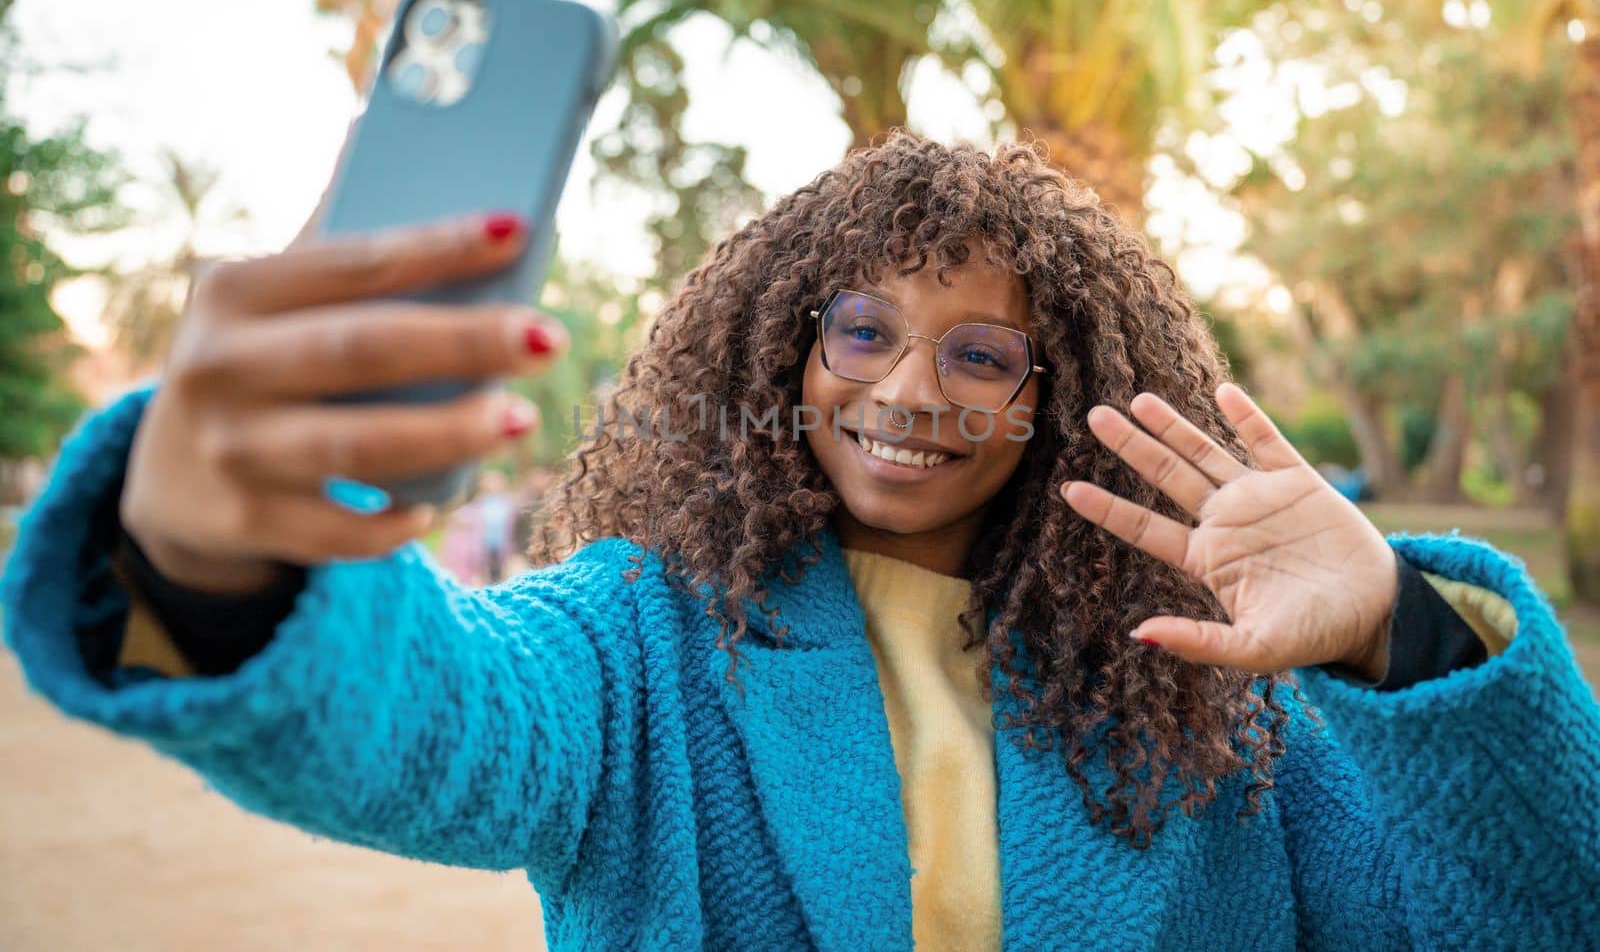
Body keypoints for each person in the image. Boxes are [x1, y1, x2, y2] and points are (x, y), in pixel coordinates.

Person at [3, 132, 1596, 951]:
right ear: (786, 354)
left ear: (1056, 403)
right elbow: (446, 722)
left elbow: (1526, 917)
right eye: (862, 330)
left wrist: (1405, 630)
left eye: (984, 355)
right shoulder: (642, 639)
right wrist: (221, 563)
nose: (910, 389)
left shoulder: (1216, 686)